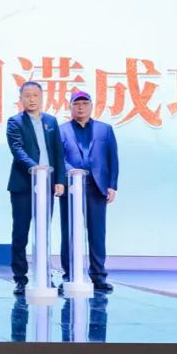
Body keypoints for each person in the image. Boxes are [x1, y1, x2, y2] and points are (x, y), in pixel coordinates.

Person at [6, 81, 65, 295]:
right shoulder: (15, 122)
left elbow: (58, 152)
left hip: (47, 185)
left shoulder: (51, 121)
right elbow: (17, 149)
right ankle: (20, 278)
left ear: (42, 97)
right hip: (23, 185)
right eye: (27, 95)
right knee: (20, 232)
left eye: (35, 95)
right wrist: (35, 167)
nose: (31, 99)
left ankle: (44, 275)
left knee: (43, 232)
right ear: (21, 99)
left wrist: (59, 179)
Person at [59, 90, 118, 293]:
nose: (81, 107)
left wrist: (112, 185)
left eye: (84, 104)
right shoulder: (61, 130)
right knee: (69, 232)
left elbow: (113, 158)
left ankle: (98, 276)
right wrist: (70, 171)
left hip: (97, 187)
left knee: (97, 233)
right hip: (71, 187)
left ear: (91, 106)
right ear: (70, 107)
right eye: (77, 104)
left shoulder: (105, 130)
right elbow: (58, 157)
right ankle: (69, 275)